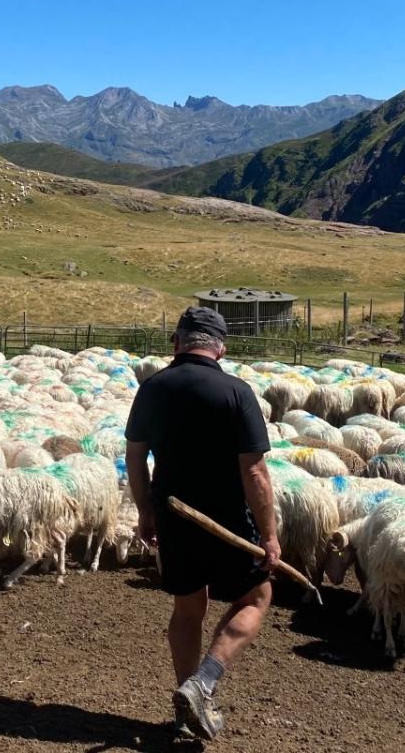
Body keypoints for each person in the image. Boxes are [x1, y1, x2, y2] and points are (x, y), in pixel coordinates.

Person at [124, 306, 279, 742]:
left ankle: (184, 713)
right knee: (257, 596)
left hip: (175, 517)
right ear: (221, 348)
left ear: (177, 342)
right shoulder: (236, 392)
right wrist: (269, 536)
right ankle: (203, 683)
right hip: (229, 519)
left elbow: (136, 457)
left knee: (188, 609)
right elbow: (254, 472)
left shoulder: (152, 389)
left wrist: (145, 509)